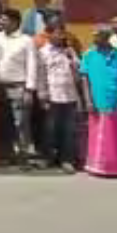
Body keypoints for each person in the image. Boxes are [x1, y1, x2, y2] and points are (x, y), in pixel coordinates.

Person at [80, 25, 117, 178]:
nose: (94, 39)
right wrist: (88, 100)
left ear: (106, 37)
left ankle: (116, 168)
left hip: (116, 101)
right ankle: (96, 166)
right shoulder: (89, 55)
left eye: (97, 35)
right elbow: (84, 79)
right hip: (97, 101)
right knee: (97, 135)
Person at [0, 8, 38, 165]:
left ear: (15, 22)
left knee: (20, 122)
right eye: (0, 20)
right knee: (2, 122)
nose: (0, 22)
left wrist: (29, 90)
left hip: (19, 86)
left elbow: (32, 65)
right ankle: (5, 155)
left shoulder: (26, 40)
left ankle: (23, 155)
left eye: (4, 20)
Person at [36, 23, 81, 173]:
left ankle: (66, 160)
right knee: (49, 129)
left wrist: (71, 58)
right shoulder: (43, 52)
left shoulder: (69, 50)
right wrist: (42, 94)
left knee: (68, 130)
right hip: (52, 95)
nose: (61, 36)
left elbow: (78, 72)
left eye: (62, 33)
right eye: (57, 33)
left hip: (69, 96)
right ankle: (46, 158)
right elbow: (41, 75)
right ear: (49, 35)